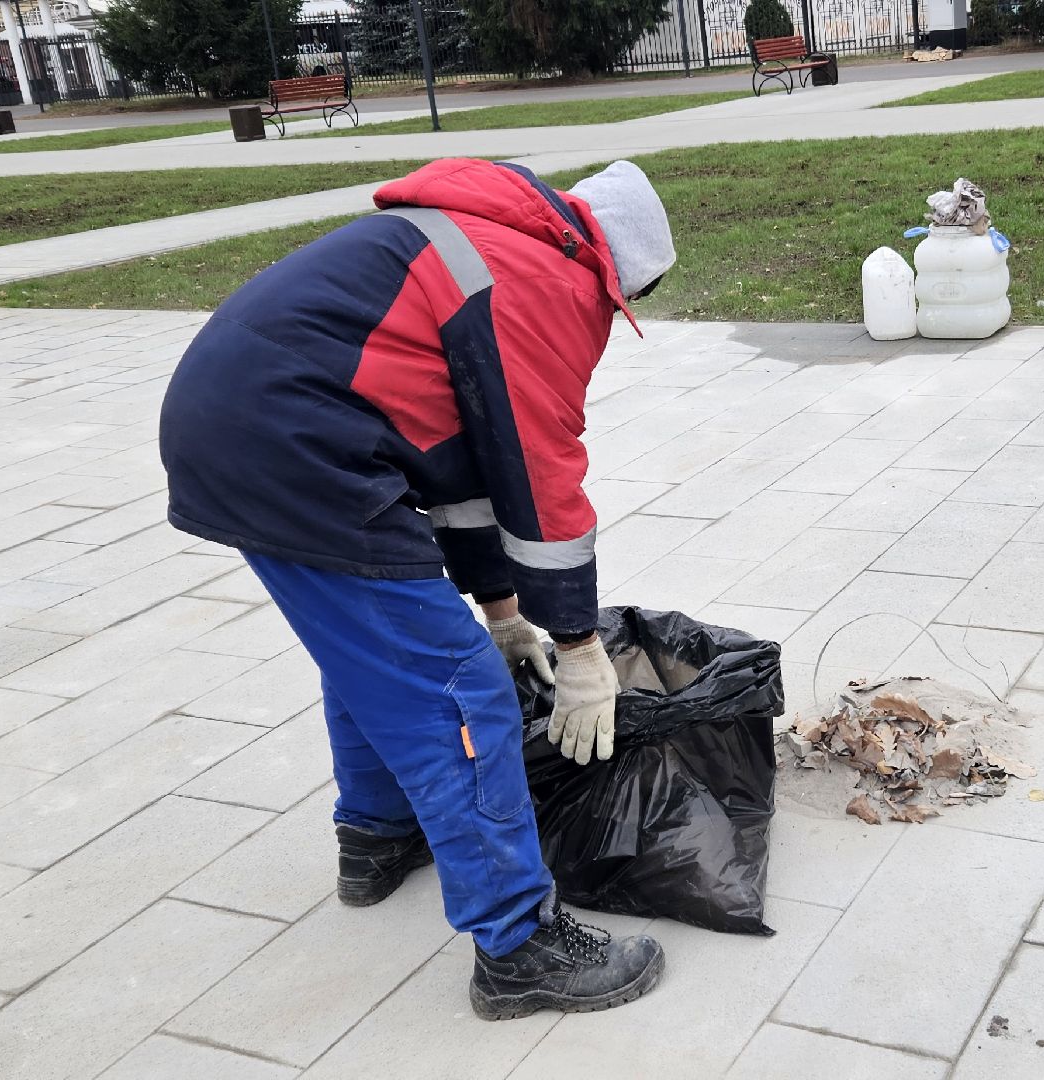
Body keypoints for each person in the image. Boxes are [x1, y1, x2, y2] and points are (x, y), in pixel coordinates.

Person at [157, 157, 675, 1020]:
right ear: (618, 273)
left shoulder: (489, 235)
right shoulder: (544, 280)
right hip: (297, 443)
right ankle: (520, 946)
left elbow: (468, 469)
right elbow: (539, 474)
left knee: (378, 656)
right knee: (458, 688)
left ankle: (377, 837)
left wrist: (504, 613)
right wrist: (581, 649)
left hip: (245, 424)